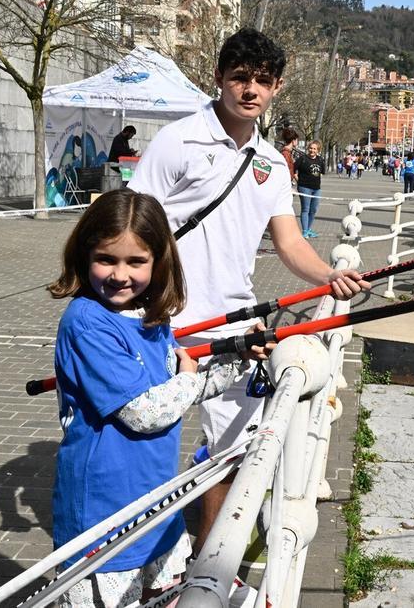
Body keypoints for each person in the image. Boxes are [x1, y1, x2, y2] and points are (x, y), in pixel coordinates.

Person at [127, 27, 369, 550]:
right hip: (159, 322)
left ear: (277, 86)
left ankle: (209, 560)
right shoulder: (177, 141)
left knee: (233, 449)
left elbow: (289, 242)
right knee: (146, 445)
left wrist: (329, 276)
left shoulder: (272, 163)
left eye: (262, 80)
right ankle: (142, 559)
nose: (250, 89)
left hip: (234, 326)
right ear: (219, 77)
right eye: (240, 77)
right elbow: (129, 225)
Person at [46, 189, 262, 607]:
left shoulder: (149, 317)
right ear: (84, 255)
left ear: (158, 262)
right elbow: (145, 412)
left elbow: (177, 391)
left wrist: (237, 357)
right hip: (103, 509)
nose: (119, 275)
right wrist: (188, 377)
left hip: (152, 500)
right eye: (106, 259)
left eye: (136, 261)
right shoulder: (87, 322)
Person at [294, 139, 326, 237]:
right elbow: (293, 170)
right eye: (311, 148)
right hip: (304, 187)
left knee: (313, 210)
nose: (312, 150)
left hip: (316, 189)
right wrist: (298, 180)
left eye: (314, 149)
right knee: (305, 209)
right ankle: (304, 231)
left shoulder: (320, 160)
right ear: (308, 149)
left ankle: (308, 229)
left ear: (318, 150)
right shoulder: (302, 159)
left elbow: (322, 172)